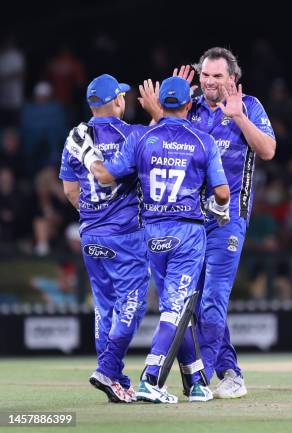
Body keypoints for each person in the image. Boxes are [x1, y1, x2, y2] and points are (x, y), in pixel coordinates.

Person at [67, 76, 230, 404]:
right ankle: (147, 377)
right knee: (170, 305)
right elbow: (223, 194)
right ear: (189, 105)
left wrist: (96, 214)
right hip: (174, 232)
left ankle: (196, 380)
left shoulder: (136, 138)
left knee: (121, 306)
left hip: (139, 233)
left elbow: (82, 186)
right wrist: (217, 207)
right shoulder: (195, 140)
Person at [139, 48, 276, 398]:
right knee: (194, 302)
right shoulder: (189, 106)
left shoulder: (250, 105)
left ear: (233, 79)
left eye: (217, 76)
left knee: (213, 296)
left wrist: (240, 118)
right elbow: (157, 144)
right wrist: (161, 112)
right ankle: (231, 373)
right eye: (205, 76)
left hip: (229, 219)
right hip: (191, 220)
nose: (210, 82)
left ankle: (200, 379)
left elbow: (268, 150)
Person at [59, 74, 149, 403]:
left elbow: (70, 190)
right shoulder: (131, 134)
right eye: (122, 96)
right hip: (125, 236)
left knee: (104, 305)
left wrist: (95, 212)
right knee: (134, 303)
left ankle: (115, 377)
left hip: (90, 234)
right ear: (116, 102)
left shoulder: (75, 136)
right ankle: (108, 369)